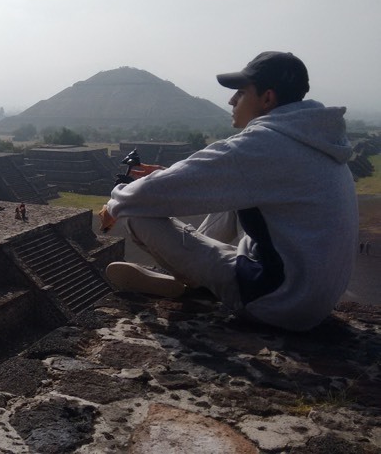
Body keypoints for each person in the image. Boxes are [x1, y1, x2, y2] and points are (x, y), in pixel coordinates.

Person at [98, 51, 358, 331]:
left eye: (241, 93)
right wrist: (165, 177)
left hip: (277, 301)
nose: (232, 100)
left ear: (267, 98)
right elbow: (205, 180)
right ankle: (196, 274)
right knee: (230, 194)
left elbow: (146, 197)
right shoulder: (314, 138)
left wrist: (115, 204)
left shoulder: (266, 143)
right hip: (310, 296)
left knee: (135, 213)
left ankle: (193, 279)